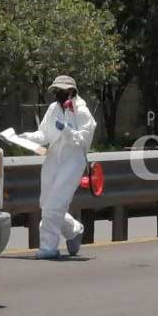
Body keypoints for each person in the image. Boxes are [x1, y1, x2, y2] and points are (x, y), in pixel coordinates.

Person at [20, 76, 97, 260]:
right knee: (46, 202)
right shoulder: (53, 109)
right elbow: (44, 134)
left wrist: (67, 131)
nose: (59, 95)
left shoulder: (83, 112)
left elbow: (84, 140)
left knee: (55, 204)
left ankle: (48, 247)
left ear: (71, 91)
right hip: (53, 158)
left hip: (73, 161)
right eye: (56, 92)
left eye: (62, 91)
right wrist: (26, 137)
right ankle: (74, 230)